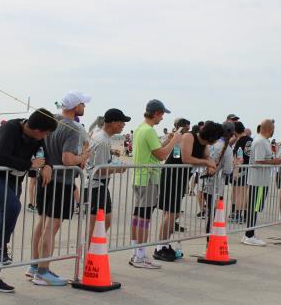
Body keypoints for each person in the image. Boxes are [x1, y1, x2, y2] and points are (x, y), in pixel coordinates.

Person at [0, 109, 57, 293]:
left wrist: (48, 165)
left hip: (14, 180)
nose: (45, 137)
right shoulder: (10, 128)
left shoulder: (37, 137)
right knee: (13, 207)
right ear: (38, 130)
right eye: (46, 134)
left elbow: (45, 153)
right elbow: (1, 157)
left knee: (1, 224)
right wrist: (30, 164)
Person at [29, 92, 91, 286]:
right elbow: (67, 159)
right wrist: (83, 157)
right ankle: (43, 271)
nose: (84, 107)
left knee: (42, 223)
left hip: (45, 178)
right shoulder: (72, 128)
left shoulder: (52, 121)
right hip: (61, 182)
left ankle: (34, 266)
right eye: (83, 104)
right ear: (75, 106)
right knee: (52, 226)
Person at [155, 120, 221, 261]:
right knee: (171, 213)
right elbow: (186, 158)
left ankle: (165, 244)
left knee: (173, 213)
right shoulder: (189, 137)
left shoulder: (204, 144)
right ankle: (160, 248)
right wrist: (207, 162)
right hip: (171, 176)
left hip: (182, 178)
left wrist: (210, 164)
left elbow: (207, 156)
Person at [130, 99, 180, 269]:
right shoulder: (149, 130)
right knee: (144, 218)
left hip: (139, 177)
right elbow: (161, 155)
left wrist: (167, 140)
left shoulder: (140, 128)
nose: (162, 118)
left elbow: (154, 150)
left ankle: (135, 252)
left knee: (138, 215)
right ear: (157, 113)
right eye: (162, 114)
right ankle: (140, 256)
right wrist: (174, 141)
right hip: (149, 178)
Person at [86, 107, 131, 240]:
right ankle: (89, 250)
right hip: (96, 186)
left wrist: (112, 155)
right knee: (96, 224)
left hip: (99, 185)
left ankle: (92, 248)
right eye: (121, 122)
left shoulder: (102, 137)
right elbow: (100, 169)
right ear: (113, 123)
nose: (123, 125)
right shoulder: (102, 140)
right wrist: (118, 169)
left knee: (105, 221)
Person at [241, 119, 281, 246]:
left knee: (255, 207)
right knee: (254, 208)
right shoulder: (260, 141)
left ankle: (249, 234)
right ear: (268, 129)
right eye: (273, 129)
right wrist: (274, 162)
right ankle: (249, 235)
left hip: (260, 180)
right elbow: (258, 161)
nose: (274, 131)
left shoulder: (262, 141)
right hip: (258, 181)